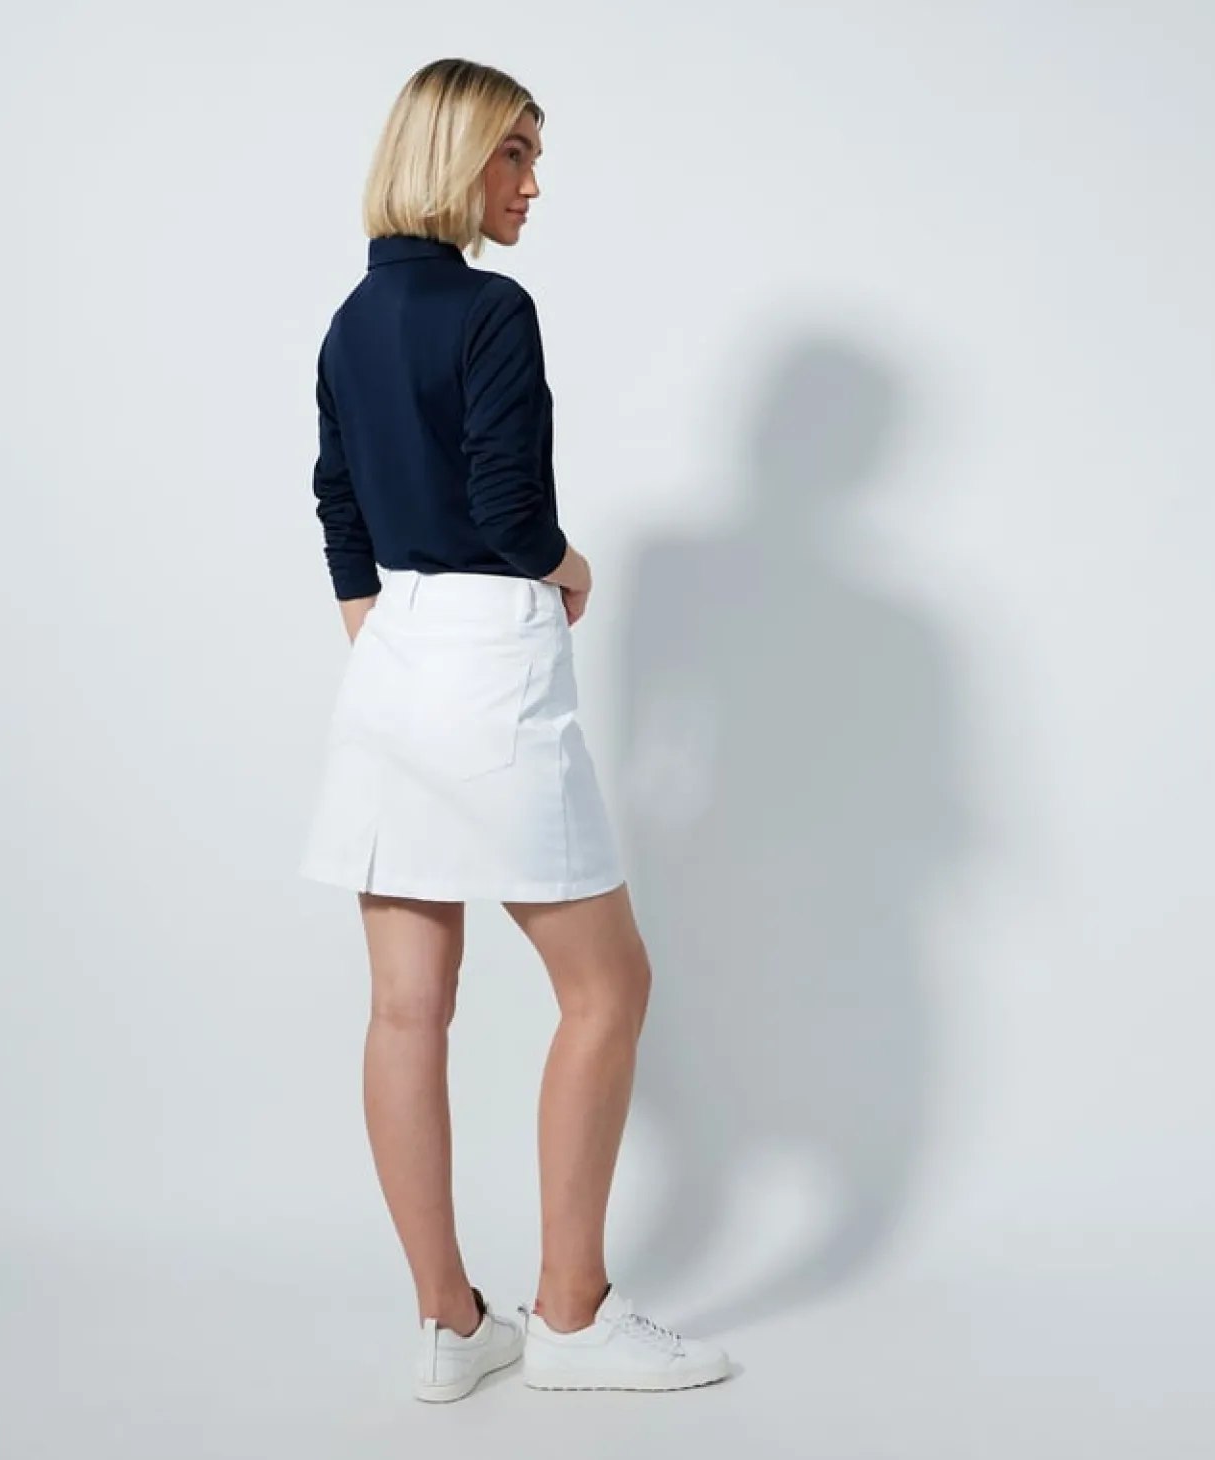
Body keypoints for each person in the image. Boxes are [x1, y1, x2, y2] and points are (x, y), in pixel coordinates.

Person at [299, 57, 735, 1402]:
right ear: (451, 155)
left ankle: (449, 1326)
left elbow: (340, 508)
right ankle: (571, 1317)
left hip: (391, 659)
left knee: (405, 1008)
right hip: (491, 646)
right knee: (609, 987)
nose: (533, 183)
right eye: (514, 153)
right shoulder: (493, 309)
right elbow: (506, 503)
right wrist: (570, 567)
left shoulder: (347, 323)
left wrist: (391, 638)